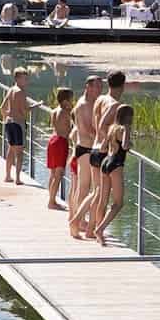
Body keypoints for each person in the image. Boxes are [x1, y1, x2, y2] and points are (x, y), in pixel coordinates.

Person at [81, 71, 126, 235]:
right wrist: (111, 138)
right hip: (103, 152)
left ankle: (92, 229)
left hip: (94, 148)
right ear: (123, 85)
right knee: (102, 196)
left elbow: (95, 122)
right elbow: (101, 125)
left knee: (98, 193)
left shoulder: (100, 99)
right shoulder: (114, 104)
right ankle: (95, 229)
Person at [89, 104, 133, 246]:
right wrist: (130, 142)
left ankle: (99, 233)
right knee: (118, 203)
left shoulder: (111, 128)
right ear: (128, 117)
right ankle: (100, 229)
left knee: (103, 200)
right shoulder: (124, 128)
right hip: (116, 164)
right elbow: (125, 146)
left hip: (105, 162)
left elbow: (103, 147)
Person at [68, 76, 103, 237]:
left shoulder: (90, 103)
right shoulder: (84, 105)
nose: (99, 90)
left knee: (81, 187)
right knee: (84, 186)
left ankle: (76, 217)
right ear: (88, 87)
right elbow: (90, 130)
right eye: (96, 86)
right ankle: (79, 221)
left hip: (85, 148)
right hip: (86, 149)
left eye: (101, 86)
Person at [45, 88, 74, 211]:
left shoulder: (54, 110)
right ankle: (52, 202)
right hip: (61, 142)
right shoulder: (66, 112)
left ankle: (51, 198)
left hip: (52, 140)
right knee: (59, 173)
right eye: (71, 99)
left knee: (52, 173)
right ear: (66, 100)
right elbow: (71, 128)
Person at [1, 69, 28, 185]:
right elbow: (24, 111)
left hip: (9, 122)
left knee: (11, 148)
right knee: (20, 152)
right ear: (17, 79)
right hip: (18, 123)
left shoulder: (11, 90)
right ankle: (17, 178)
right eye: (24, 78)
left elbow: (2, 107)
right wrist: (35, 106)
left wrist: (7, 115)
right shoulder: (20, 92)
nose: (26, 81)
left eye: (26, 78)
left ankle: (7, 175)